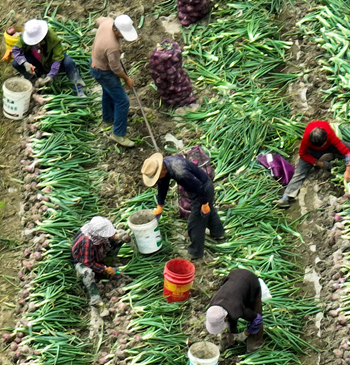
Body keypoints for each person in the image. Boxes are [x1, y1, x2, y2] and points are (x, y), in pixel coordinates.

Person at [142, 152, 225, 260]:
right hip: (198, 189)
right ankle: (219, 233)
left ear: (161, 170)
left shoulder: (180, 172)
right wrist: (160, 205)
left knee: (195, 224)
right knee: (210, 212)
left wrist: (204, 203)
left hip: (203, 190)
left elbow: (199, 187)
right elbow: (163, 185)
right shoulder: (166, 165)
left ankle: (195, 253)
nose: (157, 179)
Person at [276, 121, 350, 208]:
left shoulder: (329, 134)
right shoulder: (306, 140)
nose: (322, 147)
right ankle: (286, 197)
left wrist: (348, 170)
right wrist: (318, 163)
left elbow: (346, 152)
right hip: (313, 151)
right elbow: (302, 154)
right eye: (321, 146)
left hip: (331, 145)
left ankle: (333, 156)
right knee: (300, 171)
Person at [90, 15, 139, 147]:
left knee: (108, 93)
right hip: (104, 72)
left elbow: (98, 19)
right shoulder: (112, 47)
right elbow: (116, 68)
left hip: (95, 63)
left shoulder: (107, 22)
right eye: (122, 34)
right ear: (116, 30)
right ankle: (118, 134)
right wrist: (127, 79)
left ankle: (108, 118)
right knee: (122, 101)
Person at [11, 19, 86, 96]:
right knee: (16, 63)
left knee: (69, 62)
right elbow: (16, 50)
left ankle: (77, 88)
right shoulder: (27, 35)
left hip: (51, 60)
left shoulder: (51, 36)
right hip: (38, 61)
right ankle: (34, 80)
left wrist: (51, 74)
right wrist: (24, 63)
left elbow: (57, 58)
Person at [205, 268, 266, 353]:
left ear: (225, 318)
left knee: (254, 313)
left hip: (251, 281)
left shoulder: (237, 310)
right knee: (231, 320)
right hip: (233, 276)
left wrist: (245, 334)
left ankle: (255, 345)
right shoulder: (212, 307)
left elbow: (257, 319)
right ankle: (229, 341)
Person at [71, 216, 127, 305]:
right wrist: (105, 269)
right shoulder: (87, 242)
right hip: (83, 261)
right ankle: (96, 300)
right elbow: (88, 262)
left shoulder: (94, 229)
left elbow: (106, 236)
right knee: (87, 273)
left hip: (95, 252)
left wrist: (117, 236)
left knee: (118, 241)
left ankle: (110, 263)